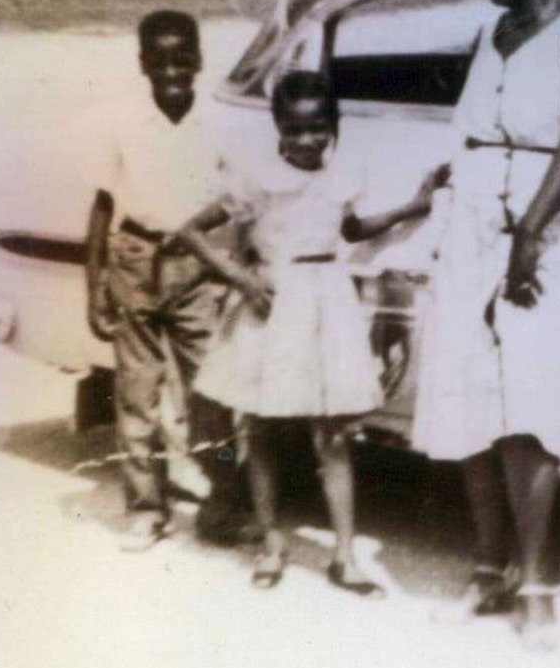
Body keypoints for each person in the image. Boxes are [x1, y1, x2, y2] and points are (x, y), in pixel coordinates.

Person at [412, 0, 560, 646]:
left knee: (529, 410)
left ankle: (534, 584)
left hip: (545, 235)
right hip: (471, 233)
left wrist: (528, 235)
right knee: (470, 404)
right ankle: (487, 570)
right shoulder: (490, 33)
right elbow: (471, 135)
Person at [174, 71, 446, 594]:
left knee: (333, 436)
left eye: (317, 127)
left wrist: (416, 205)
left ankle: (344, 556)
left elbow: (352, 229)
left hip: (328, 304)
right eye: (295, 129)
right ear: (278, 126)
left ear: (333, 125)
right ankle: (272, 544)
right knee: (263, 431)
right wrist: (241, 277)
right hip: (275, 305)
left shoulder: (342, 174)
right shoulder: (257, 177)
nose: (306, 139)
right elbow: (190, 232)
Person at [83, 10, 252, 551]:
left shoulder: (220, 122)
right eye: (160, 62)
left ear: (199, 60)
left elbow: (239, 203)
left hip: (197, 267)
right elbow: (102, 208)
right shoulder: (121, 123)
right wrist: (94, 287)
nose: (172, 71)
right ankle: (146, 507)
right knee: (138, 397)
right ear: (143, 65)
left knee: (212, 397)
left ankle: (223, 505)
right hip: (135, 261)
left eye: (182, 59)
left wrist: (230, 268)